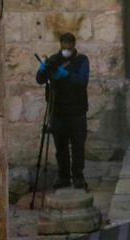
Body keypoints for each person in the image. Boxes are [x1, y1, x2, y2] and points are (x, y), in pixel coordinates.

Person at [36, 33, 91, 189]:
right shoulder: (53, 60)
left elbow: (82, 80)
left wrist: (65, 75)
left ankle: (78, 176)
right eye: (64, 47)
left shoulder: (82, 60)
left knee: (78, 145)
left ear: (74, 45)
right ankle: (63, 176)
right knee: (60, 146)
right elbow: (40, 80)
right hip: (57, 111)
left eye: (69, 47)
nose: (66, 50)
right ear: (60, 45)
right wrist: (42, 70)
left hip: (77, 110)